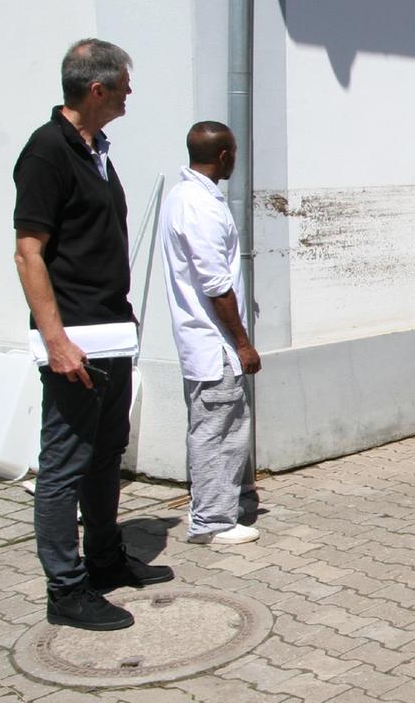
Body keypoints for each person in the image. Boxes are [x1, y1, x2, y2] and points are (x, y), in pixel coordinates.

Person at [12, 38, 173, 631]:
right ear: (98, 88)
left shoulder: (97, 150)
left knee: (106, 457)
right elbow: (30, 252)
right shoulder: (46, 152)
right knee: (63, 466)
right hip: (74, 339)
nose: (131, 94)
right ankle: (66, 589)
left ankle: (104, 561)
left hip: (111, 332)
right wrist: (56, 341)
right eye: (125, 85)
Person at [159, 122, 264, 547]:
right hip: (213, 342)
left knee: (221, 426)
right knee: (217, 430)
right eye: (234, 153)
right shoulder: (198, 206)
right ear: (224, 156)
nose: (236, 160)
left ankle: (214, 504)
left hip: (204, 340)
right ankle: (211, 521)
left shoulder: (185, 196)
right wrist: (242, 343)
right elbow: (215, 284)